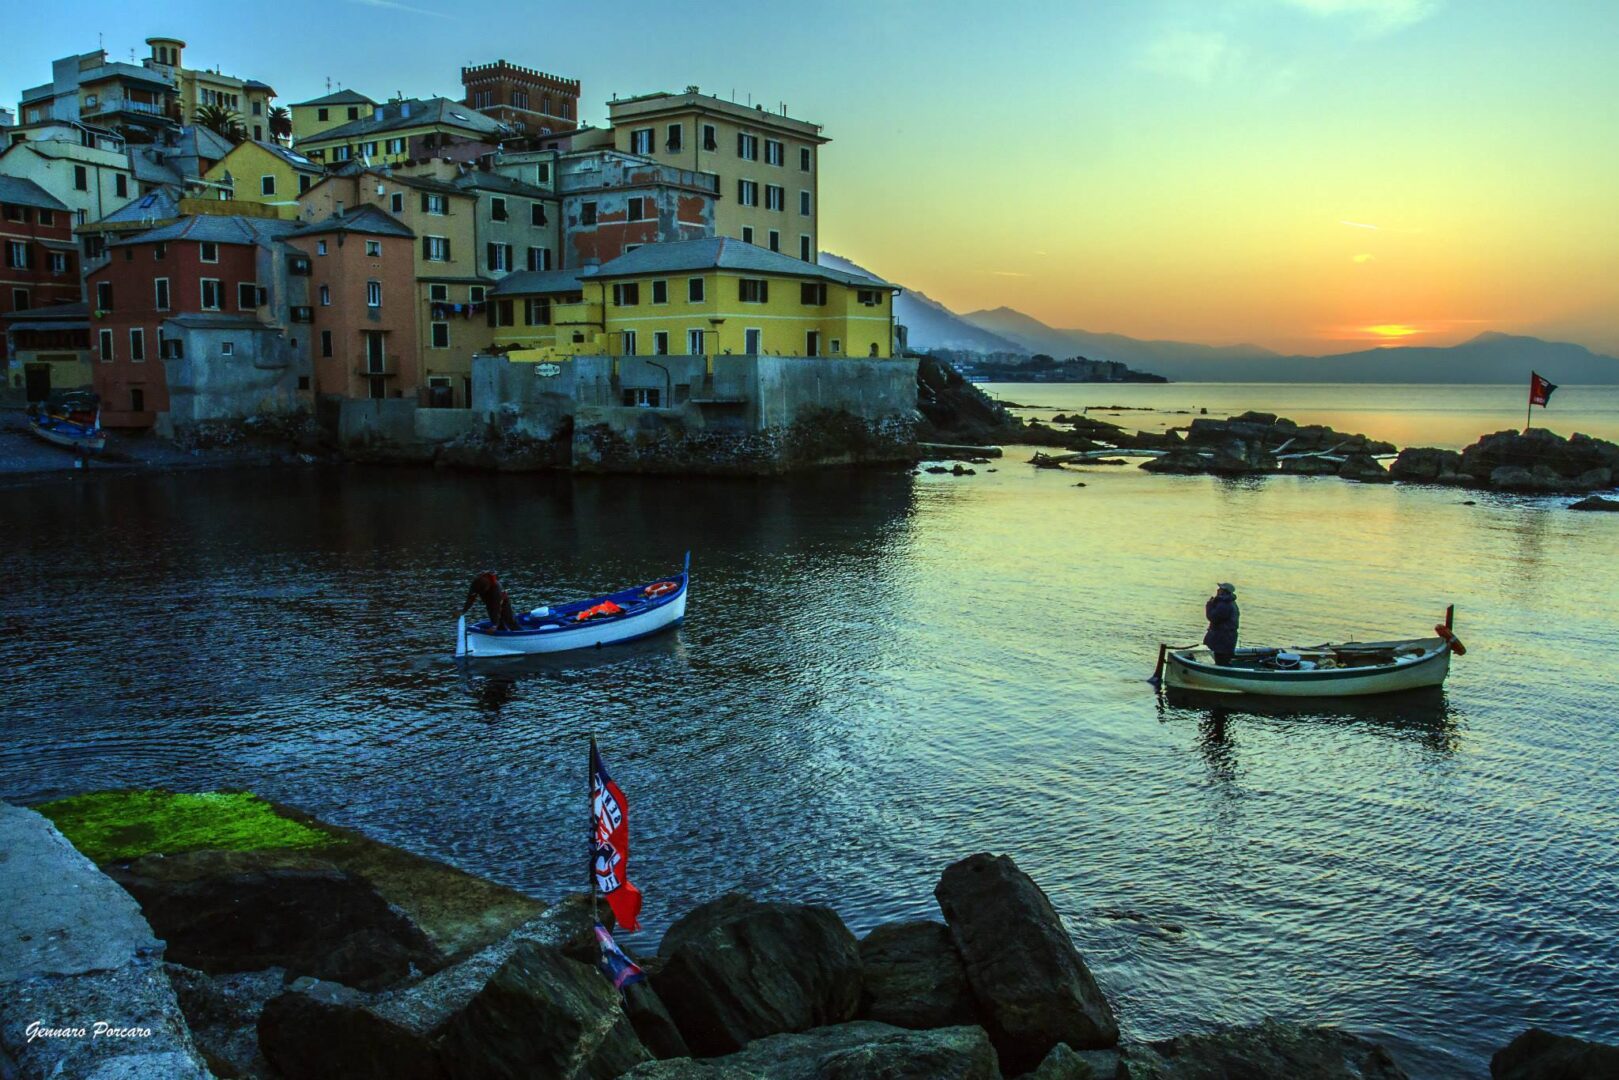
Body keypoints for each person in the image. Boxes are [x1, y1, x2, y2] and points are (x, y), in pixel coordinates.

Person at [1203, 583, 1239, 665]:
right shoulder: (1230, 603)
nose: (1218, 590)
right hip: (1226, 637)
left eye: (1220, 589)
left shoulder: (1224, 604)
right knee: (1223, 658)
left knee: (1219, 658)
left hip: (1221, 637)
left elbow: (1213, 617)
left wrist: (1209, 605)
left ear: (1224, 592)